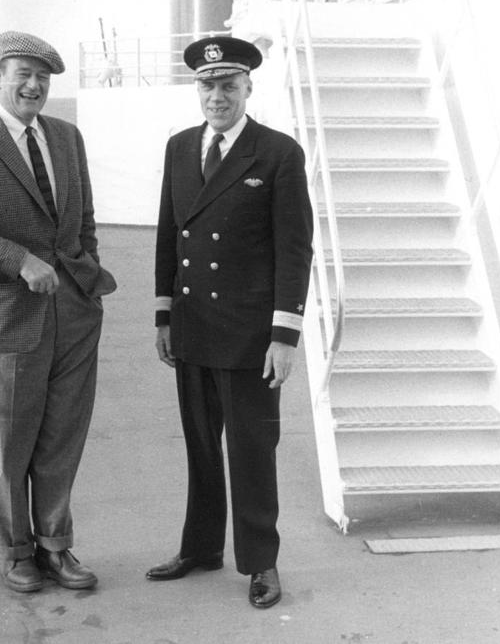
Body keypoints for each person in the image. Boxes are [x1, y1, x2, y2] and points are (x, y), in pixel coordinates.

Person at [0, 30, 116, 593]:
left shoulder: (66, 137)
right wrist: (19, 260)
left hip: (75, 309)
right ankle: (15, 551)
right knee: (12, 436)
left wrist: (85, 273)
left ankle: (56, 546)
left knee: (63, 432)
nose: (34, 86)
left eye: (43, 78)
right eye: (23, 75)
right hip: (13, 312)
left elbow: (82, 218)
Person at [147, 36, 313, 608]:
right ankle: (200, 547)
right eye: (207, 85)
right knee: (200, 445)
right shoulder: (179, 147)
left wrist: (284, 336)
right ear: (197, 88)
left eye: (228, 85)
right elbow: (171, 233)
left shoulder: (277, 153)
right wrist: (163, 314)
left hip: (249, 335)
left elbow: (296, 251)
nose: (216, 96)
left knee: (251, 448)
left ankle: (261, 563)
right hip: (193, 326)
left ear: (248, 88)